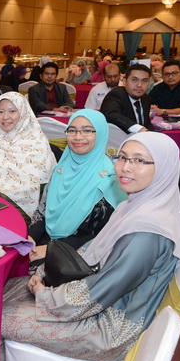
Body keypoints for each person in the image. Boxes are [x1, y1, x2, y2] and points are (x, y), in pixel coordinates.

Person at [0, 132, 180, 361]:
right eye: (122, 157)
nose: (125, 167)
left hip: (108, 327)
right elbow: (90, 251)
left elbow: (102, 289)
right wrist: (44, 272)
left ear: (165, 169)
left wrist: (45, 295)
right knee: (1, 293)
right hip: (97, 298)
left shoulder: (146, 233)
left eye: (139, 160)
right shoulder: (135, 205)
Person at [28, 110, 127, 260]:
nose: (78, 137)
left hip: (78, 255)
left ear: (100, 134)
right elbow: (43, 213)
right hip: (43, 243)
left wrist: (50, 249)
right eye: (72, 130)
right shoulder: (61, 169)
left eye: (87, 131)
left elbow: (100, 235)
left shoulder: (111, 180)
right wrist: (31, 237)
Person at [100, 63, 153, 133]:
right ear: (125, 81)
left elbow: (146, 123)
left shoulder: (145, 98)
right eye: (134, 80)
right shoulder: (117, 94)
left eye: (144, 81)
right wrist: (138, 129)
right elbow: (110, 114)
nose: (139, 85)